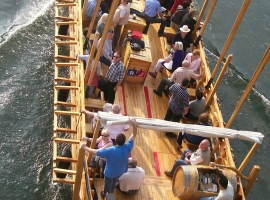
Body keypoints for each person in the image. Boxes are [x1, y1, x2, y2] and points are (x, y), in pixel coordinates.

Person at [81, 118, 138, 198]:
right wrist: (134, 124)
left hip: (110, 173)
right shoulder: (128, 147)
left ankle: (108, 196)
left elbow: (96, 152)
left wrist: (84, 148)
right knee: (114, 182)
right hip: (120, 172)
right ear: (124, 141)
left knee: (108, 190)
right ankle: (108, 192)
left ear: (116, 141)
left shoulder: (111, 150)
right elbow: (134, 134)